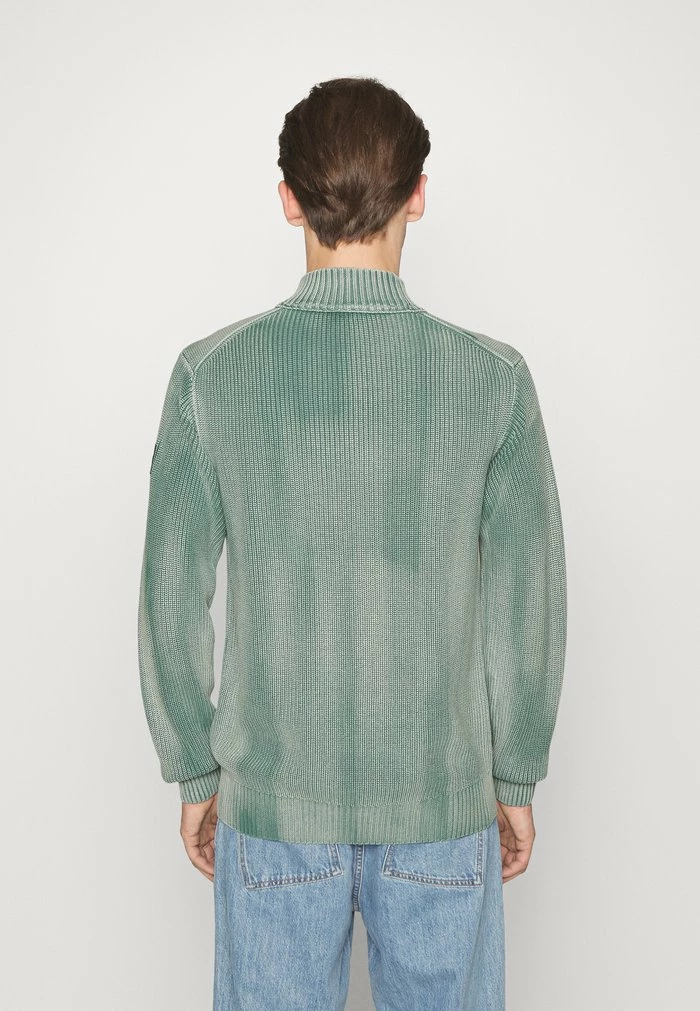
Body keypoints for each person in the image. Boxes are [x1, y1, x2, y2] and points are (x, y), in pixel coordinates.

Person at [138, 75, 567, 1011]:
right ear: (419, 193)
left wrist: (196, 768)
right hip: (442, 807)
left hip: (273, 810)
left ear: (288, 198)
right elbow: (526, 600)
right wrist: (515, 772)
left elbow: (171, 596)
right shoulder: (493, 380)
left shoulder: (211, 375)